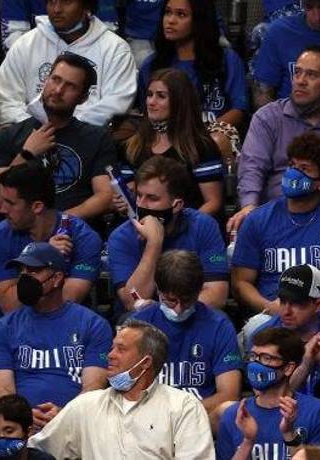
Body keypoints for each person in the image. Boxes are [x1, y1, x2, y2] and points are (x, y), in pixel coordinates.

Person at [27, 320, 215, 458]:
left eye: (121, 349)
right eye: (111, 348)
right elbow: (35, 451)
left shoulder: (183, 407)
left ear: (146, 362)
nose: (110, 355)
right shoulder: (85, 406)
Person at [231, 133, 320, 323]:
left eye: (304, 169)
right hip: (272, 316)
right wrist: (269, 308)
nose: (293, 173)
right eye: (292, 165)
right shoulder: (258, 219)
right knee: (255, 328)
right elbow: (241, 282)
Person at [233, 46, 320, 221]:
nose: (300, 81)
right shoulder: (267, 117)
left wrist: (314, 213)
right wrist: (249, 206)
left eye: (311, 75)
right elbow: (252, 168)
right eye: (297, 73)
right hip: (272, 217)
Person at [0, 0, 137, 127]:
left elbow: (116, 103)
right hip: (32, 135)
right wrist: (34, 129)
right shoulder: (26, 44)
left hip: (88, 138)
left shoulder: (115, 48)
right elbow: (5, 100)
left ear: (86, 7)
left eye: (66, 1)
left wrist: (69, 132)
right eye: (52, 0)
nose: (56, 9)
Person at [0, 51, 118, 221]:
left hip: (71, 231)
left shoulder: (97, 138)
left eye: (70, 86)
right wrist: (27, 154)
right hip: (18, 230)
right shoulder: (9, 136)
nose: (58, 90)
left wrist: (56, 221)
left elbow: (105, 197)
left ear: (83, 98)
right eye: (55, 79)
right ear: (46, 80)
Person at [0, 243, 113, 419]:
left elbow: (93, 387)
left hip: (77, 421)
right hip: (21, 423)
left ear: (57, 278)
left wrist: (64, 416)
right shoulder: (3, 328)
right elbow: (2, 389)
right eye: (21, 272)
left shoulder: (94, 325)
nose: (24, 278)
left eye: (33, 272)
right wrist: (23, 418)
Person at [105, 156, 229, 312]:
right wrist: (154, 244)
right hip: (142, 325)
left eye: (152, 198)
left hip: (192, 315)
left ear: (177, 205)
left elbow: (217, 295)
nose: (141, 204)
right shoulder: (121, 236)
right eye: (139, 195)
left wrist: (168, 312)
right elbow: (133, 302)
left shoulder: (203, 226)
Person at [0, 159, 103, 315]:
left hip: (66, 327)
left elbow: (69, 299)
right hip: (14, 329)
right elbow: (10, 306)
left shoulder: (84, 238)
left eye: (10, 203)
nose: (2, 209)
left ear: (37, 206)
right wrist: (44, 256)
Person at [138, 0, 248, 160]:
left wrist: (198, 135)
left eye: (181, 15)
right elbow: (148, 113)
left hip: (211, 134)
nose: (170, 21)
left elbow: (238, 110)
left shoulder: (226, 59)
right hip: (166, 137)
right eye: (167, 13)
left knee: (216, 140)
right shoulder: (152, 65)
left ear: (199, 20)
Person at [128, 250, 242, 416]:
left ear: (199, 291)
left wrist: (180, 414)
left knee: (228, 410)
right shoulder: (137, 326)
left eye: (187, 300)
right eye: (171, 300)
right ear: (158, 290)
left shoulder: (220, 326)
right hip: (148, 418)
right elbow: (124, 390)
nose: (179, 309)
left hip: (199, 416)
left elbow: (229, 394)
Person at [245, 264, 320, 406]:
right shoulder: (264, 336)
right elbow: (266, 402)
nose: (286, 311)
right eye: (283, 301)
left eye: (296, 303)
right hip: (279, 421)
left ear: (318, 304)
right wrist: (306, 362)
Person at [119, 69, 225, 218]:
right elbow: (134, 197)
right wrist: (124, 204)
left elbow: (213, 203)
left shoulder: (201, 147)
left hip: (188, 229)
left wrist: (179, 226)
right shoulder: (132, 146)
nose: (151, 102)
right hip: (143, 227)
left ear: (179, 102)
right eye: (149, 95)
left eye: (161, 96)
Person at [216, 327, 320, 459]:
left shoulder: (317, 412)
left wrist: (289, 434)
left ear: (288, 368)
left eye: (266, 358)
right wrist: (248, 441)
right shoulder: (235, 415)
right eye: (253, 356)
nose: (256, 363)